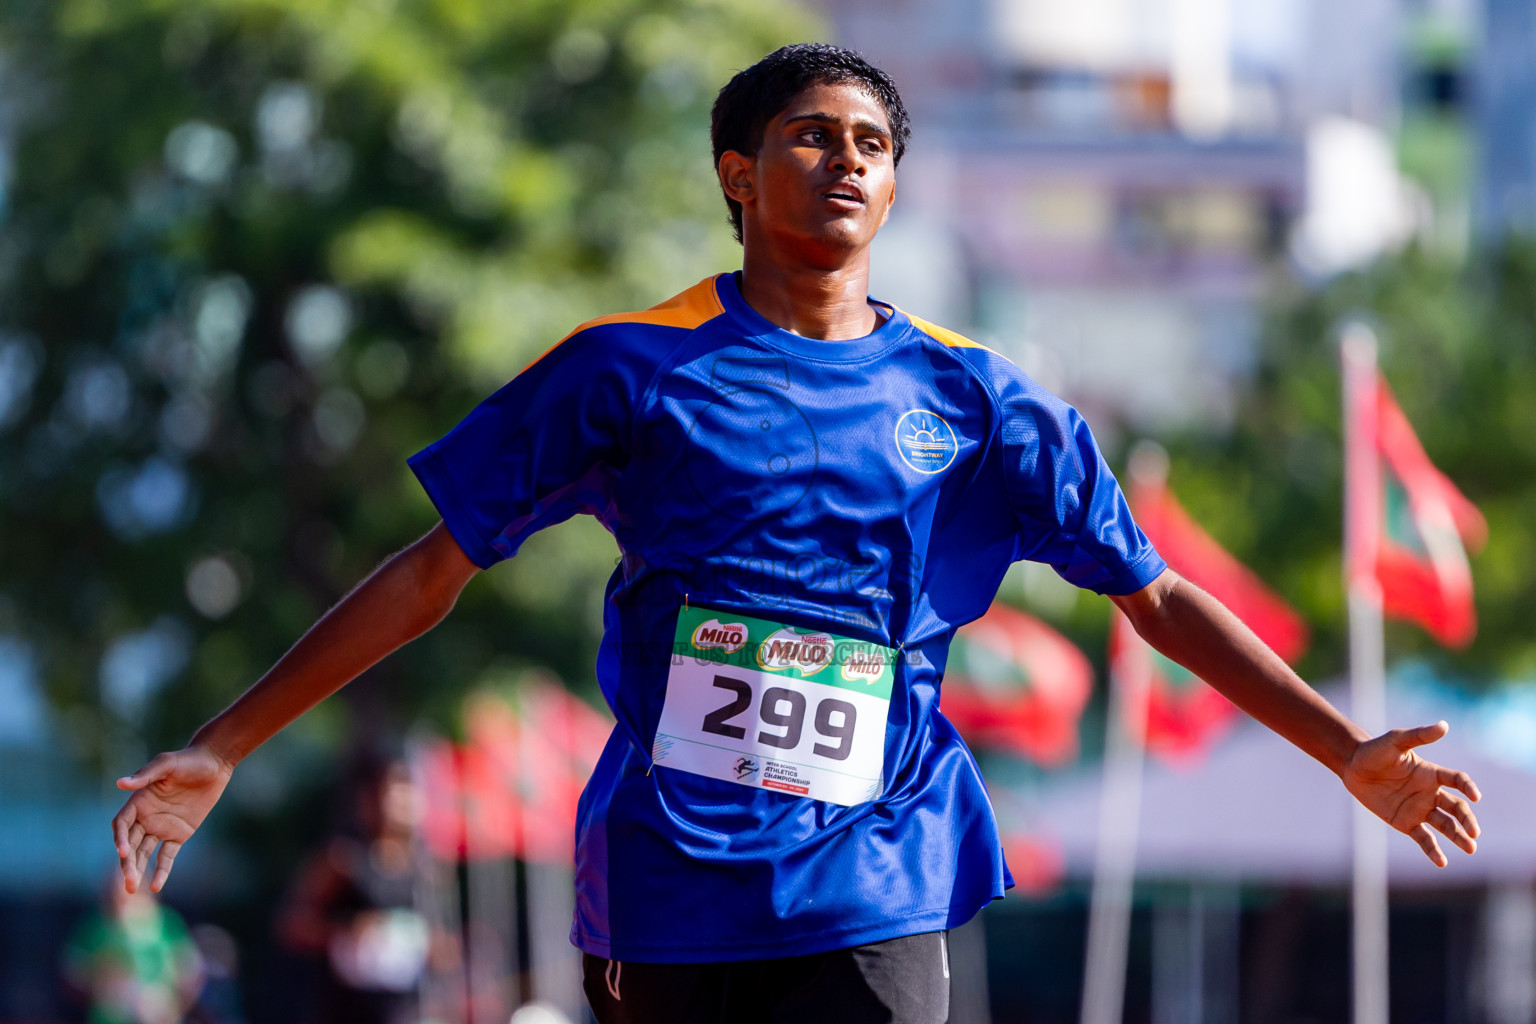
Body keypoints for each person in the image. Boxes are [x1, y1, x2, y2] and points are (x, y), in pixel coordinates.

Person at [112, 43, 1482, 1024]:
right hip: (669, 877)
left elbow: (1156, 593)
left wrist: (1343, 747)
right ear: (738, 171)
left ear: (894, 193)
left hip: (874, 868)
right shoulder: (625, 369)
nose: (845, 162)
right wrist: (225, 741)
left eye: (873, 146)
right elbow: (430, 571)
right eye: (812, 136)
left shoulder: (982, 398)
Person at [275, 756, 438, 1024]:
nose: (404, 801)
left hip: (406, 1011)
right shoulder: (342, 861)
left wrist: (431, 945)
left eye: (410, 790)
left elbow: (439, 940)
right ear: (368, 799)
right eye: (395, 790)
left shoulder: (426, 869)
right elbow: (291, 925)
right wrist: (349, 931)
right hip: (345, 1010)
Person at [64, 871, 204, 1024]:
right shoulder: (94, 926)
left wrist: (169, 1006)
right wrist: (107, 984)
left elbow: (190, 972)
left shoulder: (168, 924)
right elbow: (74, 973)